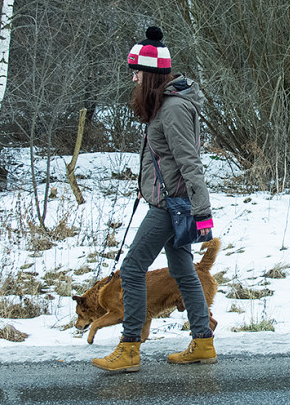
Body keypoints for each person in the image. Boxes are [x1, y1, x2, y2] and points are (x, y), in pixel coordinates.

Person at [92, 26, 215, 373]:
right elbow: (162, 158)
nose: (132, 77)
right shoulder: (163, 105)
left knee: (131, 270)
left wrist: (202, 213)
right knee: (182, 271)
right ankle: (203, 342)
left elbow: (190, 162)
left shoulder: (173, 109)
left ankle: (130, 348)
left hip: (171, 205)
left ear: (151, 75)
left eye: (136, 72)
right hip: (168, 199)